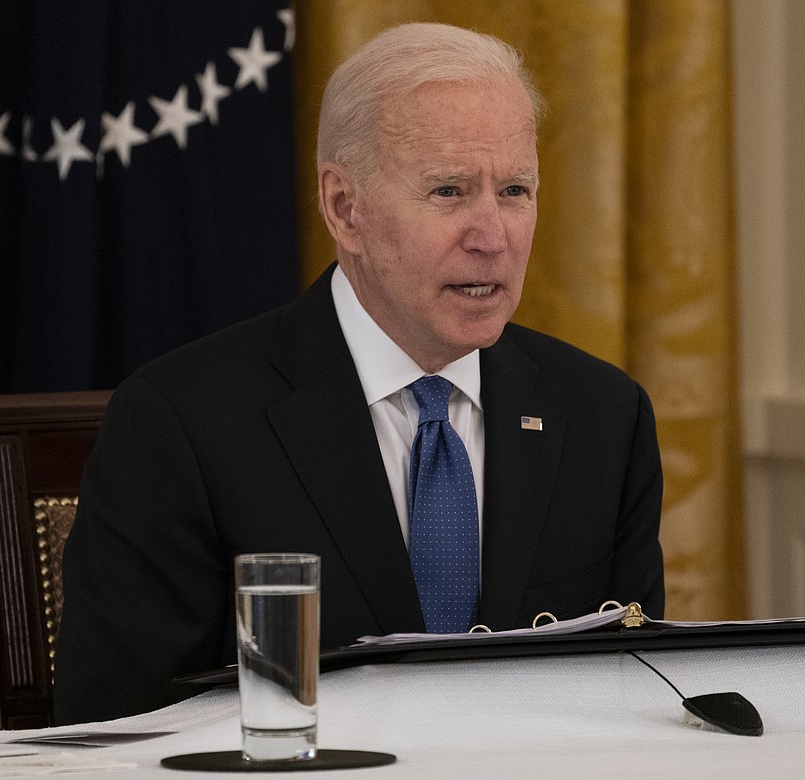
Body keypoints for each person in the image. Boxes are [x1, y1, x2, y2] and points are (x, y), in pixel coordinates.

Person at [54, 21, 664, 726]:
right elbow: (119, 730)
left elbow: (635, 703)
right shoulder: (182, 423)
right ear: (345, 207)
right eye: (448, 191)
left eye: (515, 191)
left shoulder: (602, 417)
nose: (492, 235)